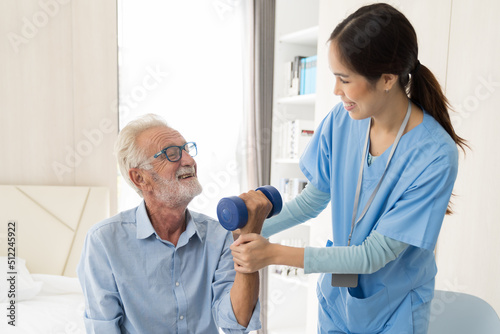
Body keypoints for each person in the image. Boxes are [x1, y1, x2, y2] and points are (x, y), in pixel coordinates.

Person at [230, 3, 466, 334]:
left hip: (395, 309)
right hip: (338, 300)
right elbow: (313, 199)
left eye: (345, 79)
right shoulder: (342, 120)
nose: (336, 91)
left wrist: (271, 254)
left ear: (387, 79)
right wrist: (250, 230)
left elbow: (374, 255)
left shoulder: (434, 155)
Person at [77, 114, 269, 333]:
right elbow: (103, 328)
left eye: (186, 149)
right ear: (140, 178)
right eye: (172, 154)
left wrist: (248, 237)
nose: (188, 160)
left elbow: (236, 322)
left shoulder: (218, 235)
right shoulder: (103, 242)